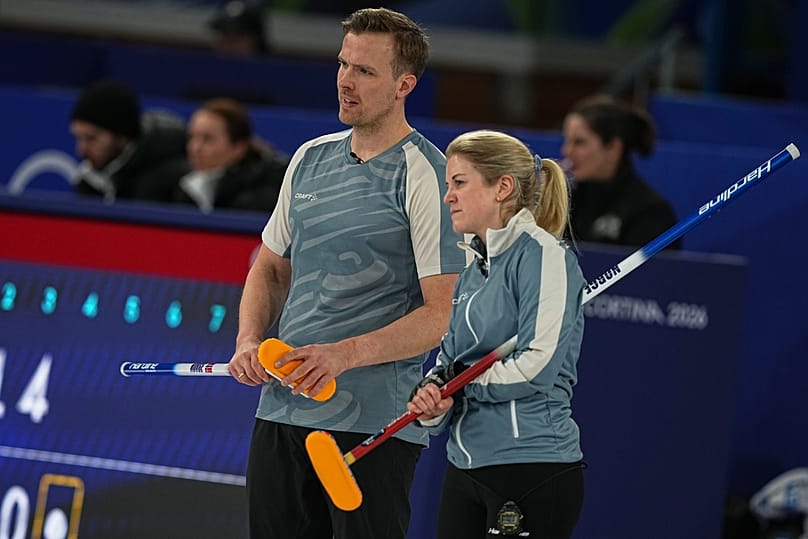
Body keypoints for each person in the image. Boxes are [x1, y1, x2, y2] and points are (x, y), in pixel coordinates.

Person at [226, 8, 466, 539]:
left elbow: (442, 314)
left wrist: (343, 354)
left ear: (405, 84)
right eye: (342, 64)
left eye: (364, 71)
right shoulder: (308, 158)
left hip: (371, 427)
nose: (345, 81)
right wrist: (248, 339)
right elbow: (268, 268)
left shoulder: (426, 174)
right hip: (281, 413)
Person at [407, 129, 587, 539]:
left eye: (459, 183)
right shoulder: (472, 271)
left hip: (531, 467)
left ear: (502, 187)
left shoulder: (544, 256)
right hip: (465, 468)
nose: (448, 196)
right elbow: (449, 360)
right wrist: (434, 396)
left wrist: (460, 388)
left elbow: (535, 367)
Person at [561, 94, 681, 249]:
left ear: (614, 148)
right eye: (567, 141)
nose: (567, 151)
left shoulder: (651, 212)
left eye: (579, 142)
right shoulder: (566, 200)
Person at [69, 79, 188, 203]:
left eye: (92, 139)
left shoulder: (171, 180)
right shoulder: (89, 180)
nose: (81, 150)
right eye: (78, 138)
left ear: (122, 138)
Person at [172, 97, 287, 213]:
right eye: (191, 137)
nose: (195, 148)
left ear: (239, 148)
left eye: (208, 139)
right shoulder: (177, 180)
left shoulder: (264, 193)